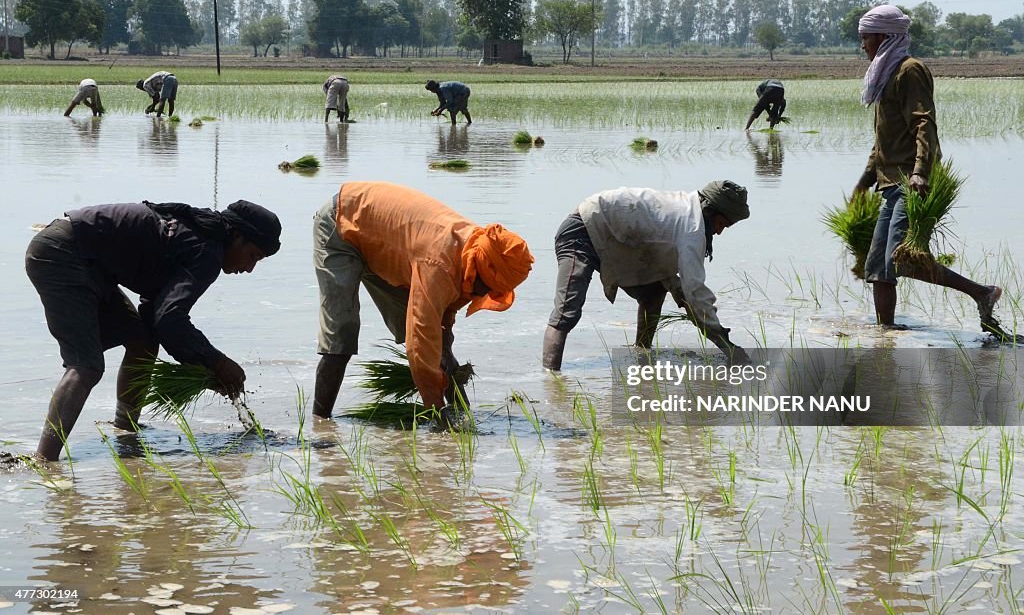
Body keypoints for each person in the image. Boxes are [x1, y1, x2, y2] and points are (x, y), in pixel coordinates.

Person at [25, 199, 281, 461]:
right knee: (86, 366)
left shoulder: (198, 239)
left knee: (143, 341)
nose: (249, 268)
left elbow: (156, 312)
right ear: (236, 236)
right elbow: (169, 319)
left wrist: (205, 365)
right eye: (253, 256)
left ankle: (125, 428)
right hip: (62, 254)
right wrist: (217, 362)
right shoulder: (207, 250)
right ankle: (44, 460)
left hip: (86, 260)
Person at [313, 182, 533, 420]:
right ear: (478, 270)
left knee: (438, 343)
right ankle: (320, 426)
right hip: (342, 224)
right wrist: (435, 411)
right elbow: (420, 344)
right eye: (486, 287)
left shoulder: (472, 250)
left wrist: (445, 336)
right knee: (341, 335)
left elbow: (445, 312)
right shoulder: (440, 263)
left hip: (380, 239)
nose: (483, 295)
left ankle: (462, 411)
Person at [852, 4, 1001, 331]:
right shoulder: (884, 74)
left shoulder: (909, 70)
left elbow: (924, 124)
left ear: (885, 36)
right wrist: (863, 183)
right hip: (890, 183)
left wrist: (920, 170)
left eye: (866, 38)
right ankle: (886, 334)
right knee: (879, 267)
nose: (862, 45)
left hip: (911, 181)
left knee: (903, 260)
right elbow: (882, 141)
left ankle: (982, 292)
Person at [542, 182, 751, 371]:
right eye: (721, 224)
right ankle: (550, 379)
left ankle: (642, 354)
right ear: (710, 211)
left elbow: (677, 281)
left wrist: (724, 345)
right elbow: (695, 292)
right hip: (582, 231)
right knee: (567, 311)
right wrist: (726, 345)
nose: (719, 232)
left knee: (654, 292)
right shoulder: (692, 229)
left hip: (619, 241)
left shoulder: (686, 212)